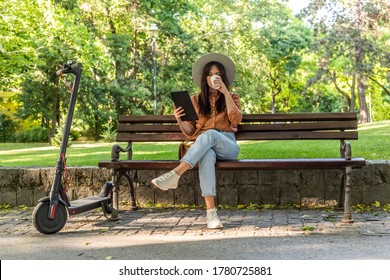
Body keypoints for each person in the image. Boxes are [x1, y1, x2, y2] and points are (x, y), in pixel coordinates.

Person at [151, 53, 242, 229]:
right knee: (206, 155)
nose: (213, 77)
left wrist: (225, 92)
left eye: (217, 74)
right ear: (204, 78)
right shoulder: (195, 100)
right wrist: (178, 120)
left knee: (209, 135)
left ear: (222, 77)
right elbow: (190, 132)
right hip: (205, 147)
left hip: (227, 145)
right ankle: (212, 215)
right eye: (209, 74)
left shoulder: (232, 96)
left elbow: (236, 120)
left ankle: (176, 173)